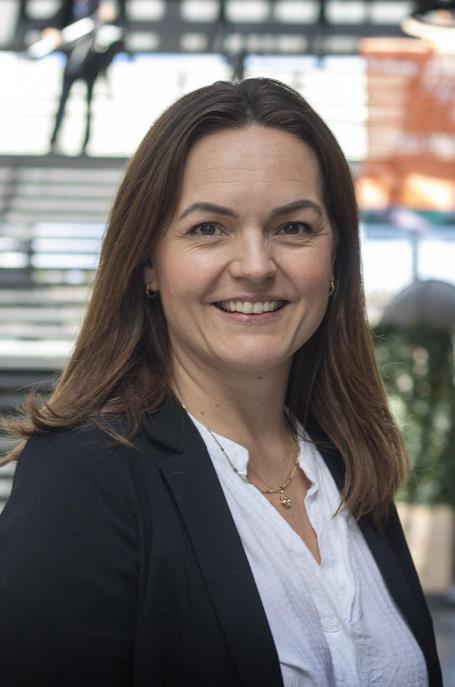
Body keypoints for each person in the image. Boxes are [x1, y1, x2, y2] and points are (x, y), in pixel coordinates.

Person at [0, 78, 442, 686]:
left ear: (336, 259)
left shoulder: (349, 462)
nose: (256, 266)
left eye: (293, 228)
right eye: (209, 228)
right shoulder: (83, 473)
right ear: (149, 264)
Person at [44, 0, 123, 153]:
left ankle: (85, 143)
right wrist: (51, 31)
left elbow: (117, 27)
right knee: (62, 102)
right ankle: (54, 141)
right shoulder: (68, 5)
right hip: (72, 62)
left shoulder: (99, 5)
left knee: (88, 103)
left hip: (91, 63)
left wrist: (109, 17)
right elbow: (55, 23)